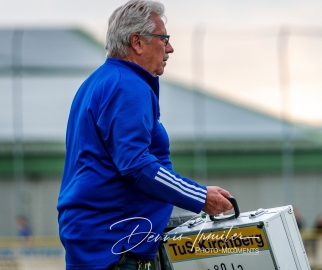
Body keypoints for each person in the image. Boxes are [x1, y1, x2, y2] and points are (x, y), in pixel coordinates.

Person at [57, 1, 233, 269]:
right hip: (116, 245)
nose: (170, 48)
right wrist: (200, 196)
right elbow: (137, 166)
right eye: (164, 38)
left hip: (98, 239)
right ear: (137, 43)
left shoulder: (100, 81)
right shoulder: (127, 86)